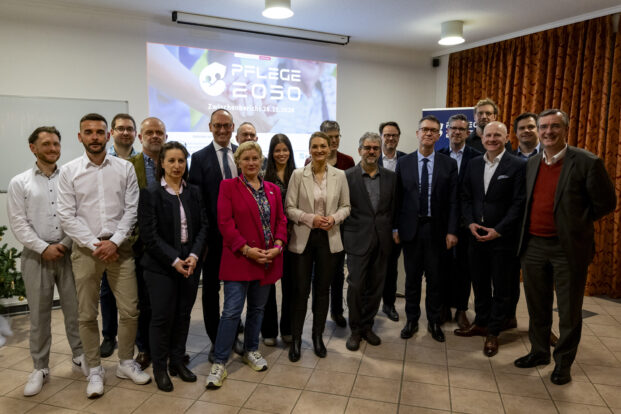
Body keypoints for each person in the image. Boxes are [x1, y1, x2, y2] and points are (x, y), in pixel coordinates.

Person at [514, 109, 616, 385]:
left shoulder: (587, 162)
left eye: (554, 126)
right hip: (533, 245)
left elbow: (606, 203)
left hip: (567, 249)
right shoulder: (533, 163)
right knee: (537, 306)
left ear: (565, 129)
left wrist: (576, 222)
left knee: (569, 311)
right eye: (543, 126)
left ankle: (563, 363)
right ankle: (538, 352)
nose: (548, 131)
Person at [57, 113, 150, 398]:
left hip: (120, 249)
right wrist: (93, 243)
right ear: (80, 137)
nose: (95, 137)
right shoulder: (69, 171)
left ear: (107, 136)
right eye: (89, 132)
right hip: (85, 251)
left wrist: (116, 241)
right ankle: (95, 369)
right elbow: (65, 215)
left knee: (130, 310)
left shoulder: (124, 168)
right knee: (86, 314)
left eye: (99, 132)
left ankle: (124, 362)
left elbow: (132, 209)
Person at [7, 126, 88, 397]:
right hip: (35, 256)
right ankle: (40, 367)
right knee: (39, 316)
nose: (53, 148)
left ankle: (80, 356)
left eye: (56, 144)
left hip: (69, 252)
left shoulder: (72, 178)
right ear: (33, 147)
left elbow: (79, 215)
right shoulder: (20, 182)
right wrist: (43, 248)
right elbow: (18, 222)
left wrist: (63, 244)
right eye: (46, 144)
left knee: (75, 311)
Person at [206, 141, 287, 389]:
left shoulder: (272, 189)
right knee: (231, 312)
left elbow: (281, 220)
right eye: (246, 159)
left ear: (261, 160)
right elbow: (225, 223)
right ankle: (220, 361)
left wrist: (278, 246)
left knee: (257, 310)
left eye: (255, 158)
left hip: (267, 259)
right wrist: (247, 249)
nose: (251, 163)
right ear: (238, 162)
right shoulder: (228, 186)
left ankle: (251, 349)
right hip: (240, 258)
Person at [138, 141, 208, 392]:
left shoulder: (195, 192)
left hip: (190, 264)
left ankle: (177, 361)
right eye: (172, 161)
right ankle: (160, 368)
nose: (177, 166)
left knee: (183, 315)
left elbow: (203, 228)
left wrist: (194, 255)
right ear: (162, 164)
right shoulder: (151, 193)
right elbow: (149, 235)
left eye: (181, 160)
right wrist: (175, 260)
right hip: (161, 267)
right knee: (161, 318)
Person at [455, 122, 525, 357]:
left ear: (506, 138)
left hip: (502, 239)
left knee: (502, 288)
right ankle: (481, 322)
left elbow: (518, 204)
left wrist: (500, 229)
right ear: (481, 137)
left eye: (497, 135)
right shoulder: (474, 163)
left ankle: (494, 331)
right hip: (475, 236)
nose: (492, 138)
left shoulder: (517, 165)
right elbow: (465, 196)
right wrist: (470, 222)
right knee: (480, 284)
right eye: (488, 135)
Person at [286, 132, 351, 361]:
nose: (319, 150)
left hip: (329, 238)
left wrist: (334, 218)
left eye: (323, 146)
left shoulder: (340, 175)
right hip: (304, 239)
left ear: (330, 147)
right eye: (315, 146)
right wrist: (309, 218)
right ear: (309, 149)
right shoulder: (297, 174)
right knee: (300, 291)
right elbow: (289, 208)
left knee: (322, 291)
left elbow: (346, 206)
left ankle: (317, 337)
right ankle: (295, 340)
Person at [395, 115, 459, 343]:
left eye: (433, 130)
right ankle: (411, 319)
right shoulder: (404, 163)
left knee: (435, 279)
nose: (428, 133)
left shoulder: (448, 164)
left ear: (439, 135)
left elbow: (454, 201)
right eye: (424, 130)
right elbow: (398, 199)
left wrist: (452, 231)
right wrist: (395, 228)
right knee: (411, 279)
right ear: (417, 133)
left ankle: (433, 320)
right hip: (411, 230)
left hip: (437, 231)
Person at [188, 109, 242, 362]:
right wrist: (203, 241)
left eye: (227, 126)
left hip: (241, 239)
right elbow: (197, 204)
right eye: (217, 126)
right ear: (210, 127)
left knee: (237, 289)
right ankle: (216, 339)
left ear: (233, 127)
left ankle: (233, 334)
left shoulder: (242, 156)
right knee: (210, 292)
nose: (222, 130)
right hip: (213, 241)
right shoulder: (198, 158)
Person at [343, 132, 396, 351]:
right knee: (356, 286)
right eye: (367, 148)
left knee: (376, 287)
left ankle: (367, 326)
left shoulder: (391, 177)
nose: (372, 151)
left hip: (382, 240)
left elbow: (393, 208)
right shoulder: (346, 176)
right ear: (360, 151)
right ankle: (355, 329)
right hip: (357, 240)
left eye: (375, 148)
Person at [127, 117, 169, 369]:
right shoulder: (127, 166)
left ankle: (168, 348)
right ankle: (144, 349)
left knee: (167, 302)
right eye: (149, 132)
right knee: (143, 302)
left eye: (159, 132)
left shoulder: (173, 163)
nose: (155, 136)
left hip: (170, 245)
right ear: (140, 137)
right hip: (140, 246)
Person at [305, 120, 354, 328]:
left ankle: (336, 310)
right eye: (329, 137)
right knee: (318, 275)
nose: (334, 141)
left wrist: (336, 218)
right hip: (314, 229)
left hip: (338, 227)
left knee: (337, 273)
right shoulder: (310, 160)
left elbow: (348, 198)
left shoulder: (348, 161)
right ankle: (318, 312)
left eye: (337, 136)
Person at [100, 113, 138, 359]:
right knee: (106, 290)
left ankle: (133, 337)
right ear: (111, 132)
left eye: (129, 129)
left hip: (137, 236)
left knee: (134, 292)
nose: (125, 132)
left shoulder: (141, 160)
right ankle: (109, 336)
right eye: (120, 128)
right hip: (109, 238)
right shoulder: (102, 161)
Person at [438, 114, 481, 329]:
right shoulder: (439, 155)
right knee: (442, 266)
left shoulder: (477, 157)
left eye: (461, 129)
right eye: (453, 128)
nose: (456, 132)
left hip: (466, 223)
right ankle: (444, 306)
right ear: (447, 132)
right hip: (442, 222)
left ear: (467, 132)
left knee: (464, 268)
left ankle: (462, 309)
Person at [261, 134, 296, 346]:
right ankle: (269, 330)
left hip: (295, 238)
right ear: (271, 153)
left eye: (285, 150)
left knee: (291, 285)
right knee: (268, 286)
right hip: (271, 240)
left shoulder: (298, 175)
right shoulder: (264, 177)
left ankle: (288, 329)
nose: (281, 154)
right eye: (277, 150)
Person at [378, 121, 407, 322]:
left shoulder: (407, 160)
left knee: (391, 268)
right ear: (381, 136)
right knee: (372, 266)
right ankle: (369, 304)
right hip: (374, 225)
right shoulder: (370, 158)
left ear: (398, 137)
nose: (390, 138)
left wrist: (398, 226)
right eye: (387, 135)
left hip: (396, 225)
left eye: (394, 135)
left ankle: (388, 305)